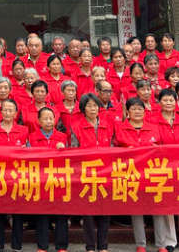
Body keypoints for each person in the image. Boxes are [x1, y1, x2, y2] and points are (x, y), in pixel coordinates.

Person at [150, 89, 179, 252]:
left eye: (171, 100)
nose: (169, 103)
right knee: (167, 201)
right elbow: (153, 142)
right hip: (162, 165)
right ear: (159, 102)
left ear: (175, 102)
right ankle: (170, 240)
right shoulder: (153, 120)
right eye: (165, 100)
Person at [114, 97, 161, 252]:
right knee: (137, 208)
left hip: (152, 173)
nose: (137, 111)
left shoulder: (153, 128)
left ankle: (161, 244)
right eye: (133, 109)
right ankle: (141, 244)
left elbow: (160, 148)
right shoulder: (121, 129)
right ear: (127, 112)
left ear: (145, 111)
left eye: (140, 109)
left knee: (157, 208)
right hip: (132, 174)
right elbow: (116, 150)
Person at [70, 93, 113, 252]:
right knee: (88, 213)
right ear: (83, 109)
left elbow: (112, 147)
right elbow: (74, 150)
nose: (93, 108)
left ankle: (103, 246)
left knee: (105, 210)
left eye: (95, 105)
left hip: (105, 173)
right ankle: (90, 246)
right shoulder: (76, 126)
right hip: (86, 174)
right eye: (89, 106)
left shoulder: (107, 125)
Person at [0, 99, 28, 252]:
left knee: (18, 213)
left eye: (11, 110)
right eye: (5, 109)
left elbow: (30, 153)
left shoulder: (24, 130)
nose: (8, 112)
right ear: (0, 111)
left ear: (16, 112)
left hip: (18, 177)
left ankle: (17, 246)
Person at [29, 107, 69, 252]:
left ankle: (61, 246)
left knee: (61, 212)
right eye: (45, 119)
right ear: (39, 121)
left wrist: (64, 149)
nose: (48, 121)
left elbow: (71, 158)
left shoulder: (62, 137)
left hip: (59, 179)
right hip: (40, 180)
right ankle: (42, 246)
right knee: (42, 213)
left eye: (51, 118)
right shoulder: (31, 137)